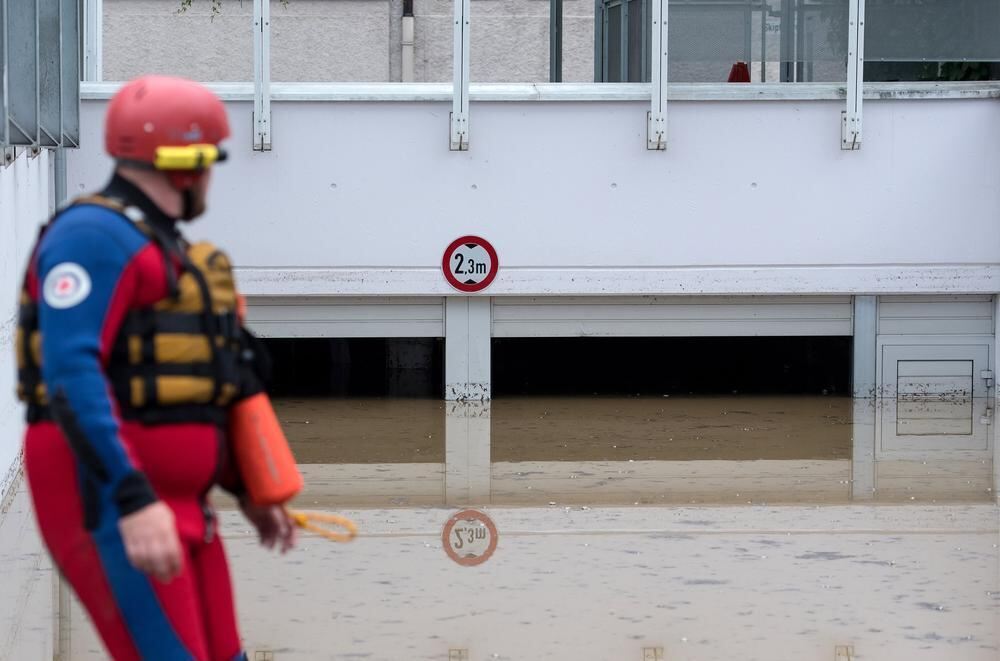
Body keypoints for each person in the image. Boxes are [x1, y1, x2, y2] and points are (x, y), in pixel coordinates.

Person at [14, 75, 296, 661]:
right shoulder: (91, 237)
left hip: (182, 502)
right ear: (187, 167)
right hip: (114, 498)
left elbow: (199, 386)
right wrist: (134, 501)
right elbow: (71, 379)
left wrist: (247, 486)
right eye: (211, 163)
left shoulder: (163, 247)